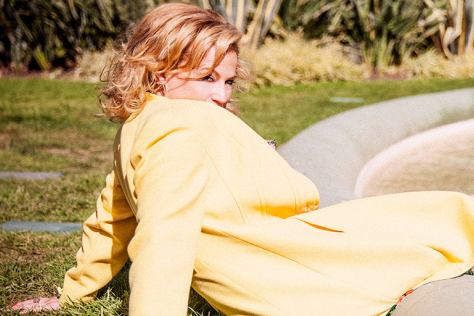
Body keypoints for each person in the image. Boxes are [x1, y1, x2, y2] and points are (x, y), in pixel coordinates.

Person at [9, 3, 474, 316]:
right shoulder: (175, 130)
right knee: (442, 218)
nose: (220, 95)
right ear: (154, 71)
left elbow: (111, 217)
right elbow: (162, 237)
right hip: (279, 269)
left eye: (228, 82)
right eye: (206, 78)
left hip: (271, 248)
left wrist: (69, 294)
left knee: (431, 213)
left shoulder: (147, 122)